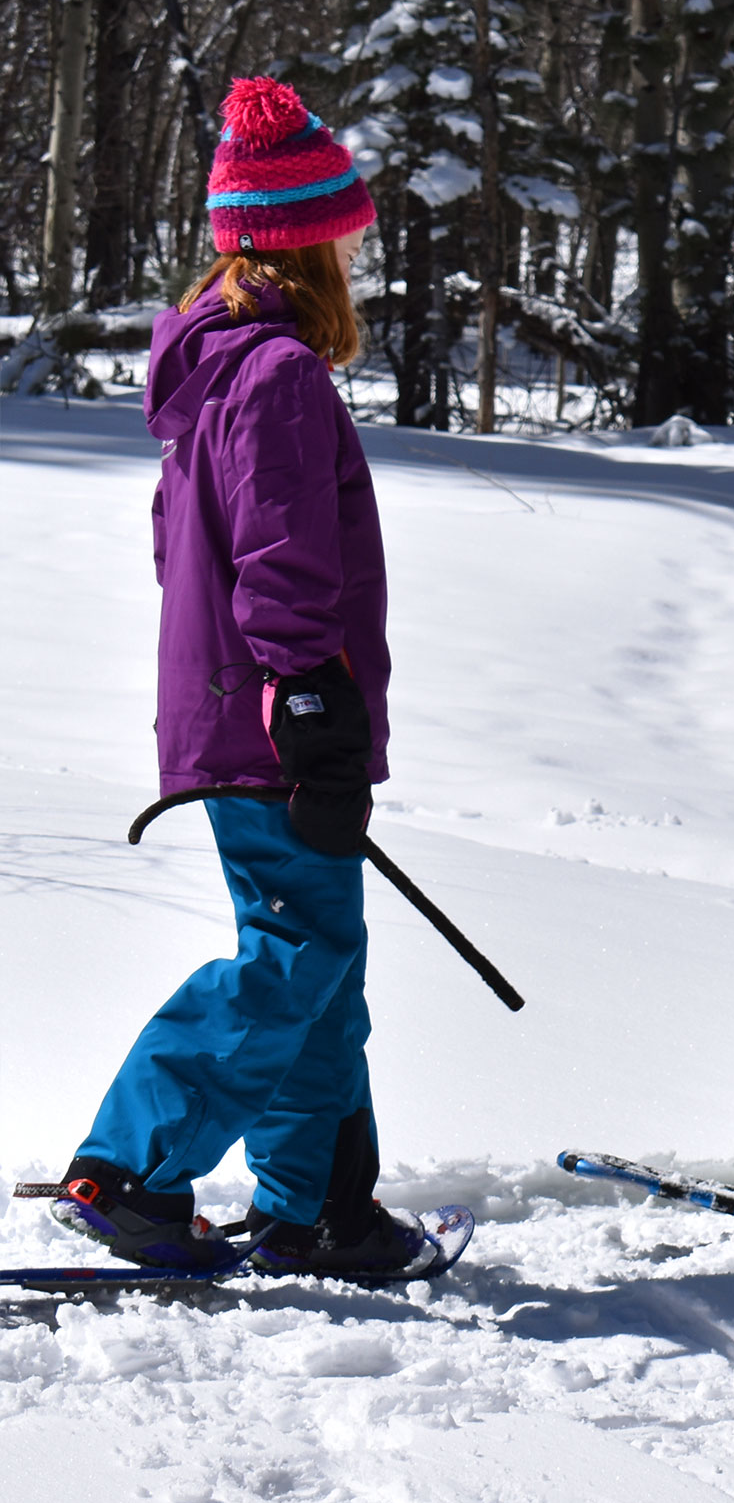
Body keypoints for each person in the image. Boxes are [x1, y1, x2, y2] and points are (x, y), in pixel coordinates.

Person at [53, 77, 445, 1281]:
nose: (352, 267)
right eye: (343, 243)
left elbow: (191, 554)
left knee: (318, 964)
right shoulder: (273, 377)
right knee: (293, 957)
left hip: (250, 715)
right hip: (278, 721)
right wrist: (312, 703)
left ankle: (318, 1204)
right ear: (305, 246)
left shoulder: (215, 369)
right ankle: (127, 1171)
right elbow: (278, 560)